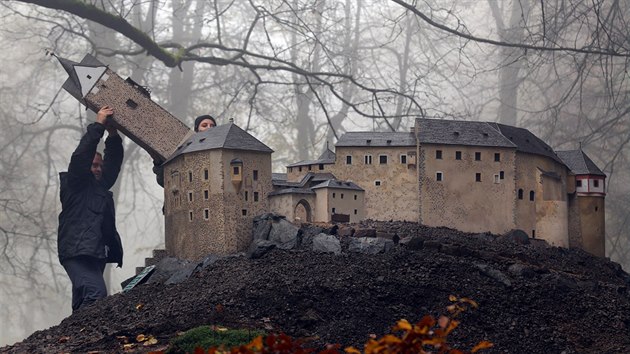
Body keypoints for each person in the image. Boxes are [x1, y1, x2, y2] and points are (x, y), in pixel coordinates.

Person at [58, 105, 124, 312]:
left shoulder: (100, 186)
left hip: (95, 253)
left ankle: (70, 340)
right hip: (77, 252)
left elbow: (113, 162)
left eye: (99, 165)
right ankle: (81, 335)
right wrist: (98, 126)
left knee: (82, 301)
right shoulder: (75, 183)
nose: (97, 169)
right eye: (93, 165)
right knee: (95, 295)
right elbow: (81, 157)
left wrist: (113, 135)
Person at [152, 114, 217, 187]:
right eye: (204, 125)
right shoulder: (187, 149)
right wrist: (158, 163)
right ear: (197, 130)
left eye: (212, 126)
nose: (209, 128)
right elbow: (165, 181)